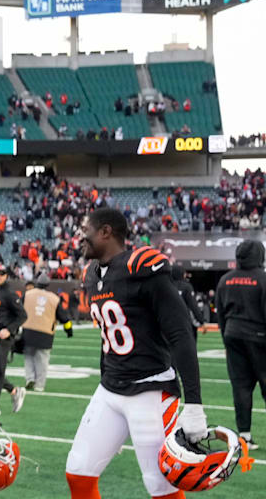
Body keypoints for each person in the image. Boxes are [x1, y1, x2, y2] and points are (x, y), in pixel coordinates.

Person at [66, 208, 206, 499]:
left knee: (160, 485)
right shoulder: (92, 274)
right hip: (111, 389)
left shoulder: (142, 266)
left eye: (85, 229)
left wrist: (194, 403)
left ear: (105, 231)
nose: (80, 236)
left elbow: (180, 333)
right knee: (78, 473)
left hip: (150, 389)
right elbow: (108, 341)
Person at [214, 239, 266, 450]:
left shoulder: (225, 280)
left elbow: (220, 312)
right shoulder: (263, 279)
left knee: (241, 387)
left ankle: (244, 435)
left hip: (233, 335)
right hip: (260, 337)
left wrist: (226, 335)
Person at [20, 274, 72, 392]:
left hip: (28, 331)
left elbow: (18, 310)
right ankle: (39, 385)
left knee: (28, 357)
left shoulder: (27, 295)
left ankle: (29, 378)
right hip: (45, 333)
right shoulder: (54, 298)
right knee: (42, 360)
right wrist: (69, 331)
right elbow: (64, 318)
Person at [0, 265, 26, 415]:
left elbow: (22, 315)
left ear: (6, 276)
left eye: (1, 273)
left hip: (3, 338)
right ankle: (14, 391)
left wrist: (9, 330)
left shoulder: (9, 293)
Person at [171, 264, 205, 341]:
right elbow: (193, 306)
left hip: (169, 322)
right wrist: (201, 321)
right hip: (184, 323)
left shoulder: (167, 286)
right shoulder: (186, 287)